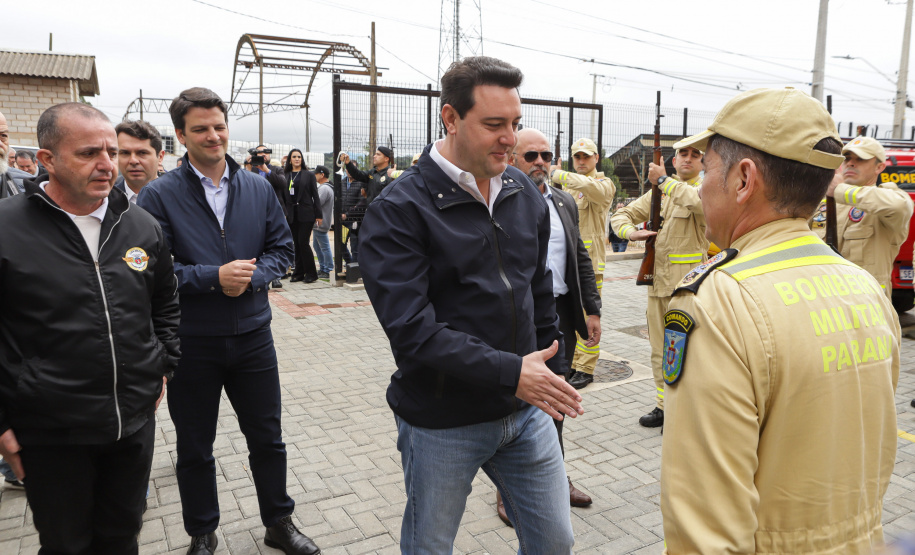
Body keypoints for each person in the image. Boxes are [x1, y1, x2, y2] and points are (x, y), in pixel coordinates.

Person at [660, 87, 900, 554]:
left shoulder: (718, 300)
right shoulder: (864, 287)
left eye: (707, 168)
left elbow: (706, 525)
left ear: (743, 179)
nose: (702, 185)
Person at [360, 56, 581, 553]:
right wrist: (512, 372)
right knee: (429, 546)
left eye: (516, 124)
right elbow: (413, 332)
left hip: (526, 412)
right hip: (443, 421)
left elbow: (537, 288)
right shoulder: (398, 210)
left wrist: (552, 373)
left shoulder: (523, 191)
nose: (510, 138)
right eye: (494, 124)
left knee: (555, 543)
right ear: (451, 118)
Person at [137, 88, 318, 555]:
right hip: (193, 342)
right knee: (194, 447)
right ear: (180, 135)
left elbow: (283, 249)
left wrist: (254, 275)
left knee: (268, 438)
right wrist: (213, 278)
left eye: (219, 126)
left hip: (254, 337)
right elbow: (154, 274)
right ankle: (202, 532)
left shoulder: (257, 186)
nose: (213, 135)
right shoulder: (158, 195)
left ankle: (279, 522)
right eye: (200, 129)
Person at [0, 102, 180, 553]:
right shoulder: (7, 229)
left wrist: (162, 364)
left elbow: (164, 302)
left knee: (122, 538)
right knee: (66, 544)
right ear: (47, 160)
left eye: (111, 151)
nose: (107, 165)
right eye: (87, 153)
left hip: (132, 424)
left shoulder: (141, 225)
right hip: (52, 431)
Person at [488, 127, 597, 524]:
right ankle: (508, 488)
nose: (540, 163)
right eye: (530, 156)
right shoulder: (501, 201)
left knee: (556, 402)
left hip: (559, 316)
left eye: (546, 156)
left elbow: (579, 256)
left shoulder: (565, 201)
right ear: (513, 159)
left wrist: (592, 310)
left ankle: (556, 477)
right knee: (517, 403)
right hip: (519, 319)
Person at [610, 145, 707, 428]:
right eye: (682, 155)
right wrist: (632, 233)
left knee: (689, 349)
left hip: (687, 288)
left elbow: (699, 205)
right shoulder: (660, 193)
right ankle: (664, 405)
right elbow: (620, 216)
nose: (687, 159)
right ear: (674, 160)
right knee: (659, 349)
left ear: (703, 162)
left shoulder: (700, 189)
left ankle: (685, 410)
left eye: (695, 156)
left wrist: (664, 181)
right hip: (657, 284)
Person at [548, 138, 615, 389]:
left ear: (597, 158)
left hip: (590, 263)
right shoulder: (566, 186)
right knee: (569, 314)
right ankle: (574, 362)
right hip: (566, 262)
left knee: (589, 315)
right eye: (577, 157)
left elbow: (592, 189)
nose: (582, 161)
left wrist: (559, 174)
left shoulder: (603, 184)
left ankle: (586, 368)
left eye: (586, 156)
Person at [810, 136, 913, 297]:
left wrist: (839, 190)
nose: (851, 163)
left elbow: (898, 206)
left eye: (861, 159)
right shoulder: (822, 204)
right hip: (825, 301)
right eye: (847, 158)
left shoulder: (885, 202)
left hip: (867, 308)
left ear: (879, 167)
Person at [252, 145, 291, 289]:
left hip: (275, 212)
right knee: (258, 245)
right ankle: (262, 276)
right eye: (259, 152)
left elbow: (283, 184)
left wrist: (266, 170)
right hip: (256, 212)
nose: (262, 155)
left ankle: (276, 277)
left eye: (265, 152)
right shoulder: (252, 170)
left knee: (276, 244)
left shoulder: (276, 169)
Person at [284, 148, 322, 283]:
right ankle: (299, 273)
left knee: (303, 242)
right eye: (294, 157)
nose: (296, 159)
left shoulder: (309, 175)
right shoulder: (286, 174)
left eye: (299, 157)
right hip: (291, 215)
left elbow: (315, 195)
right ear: (290, 159)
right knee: (296, 244)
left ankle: (311, 273)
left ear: (302, 159)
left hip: (306, 213)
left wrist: (319, 215)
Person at [113, 120, 166, 203]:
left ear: (160, 157)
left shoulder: (178, 198)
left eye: (142, 153)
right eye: (125, 153)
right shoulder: (103, 201)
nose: (133, 161)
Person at [312, 165, 334, 278]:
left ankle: (328, 269)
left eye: (316, 173)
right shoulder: (325, 187)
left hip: (321, 222)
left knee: (324, 247)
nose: (314, 175)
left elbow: (317, 204)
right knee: (317, 246)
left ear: (322, 175)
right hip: (320, 223)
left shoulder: (324, 188)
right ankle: (323, 268)